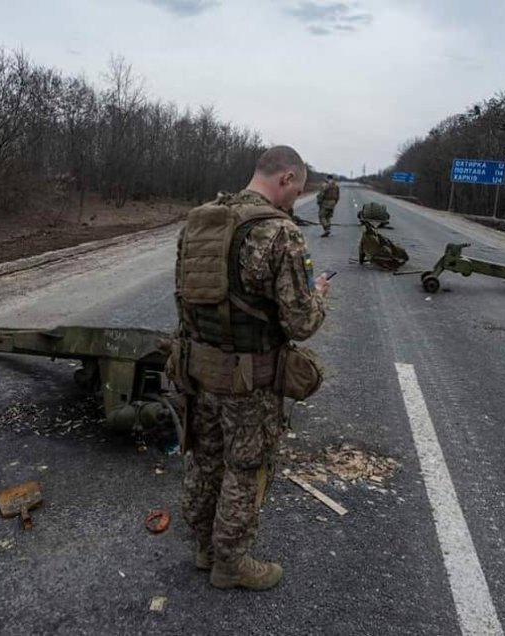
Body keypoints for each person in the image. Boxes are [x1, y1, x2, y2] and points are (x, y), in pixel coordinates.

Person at [171, 145, 330, 590]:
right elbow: (300, 323)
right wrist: (319, 295)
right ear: (285, 179)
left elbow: (182, 300)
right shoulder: (280, 233)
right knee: (246, 467)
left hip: (198, 369)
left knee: (204, 458)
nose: (295, 199)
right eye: (296, 189)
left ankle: (204, 547)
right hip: (249, 380)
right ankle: (231, 563)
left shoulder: (200, 220)